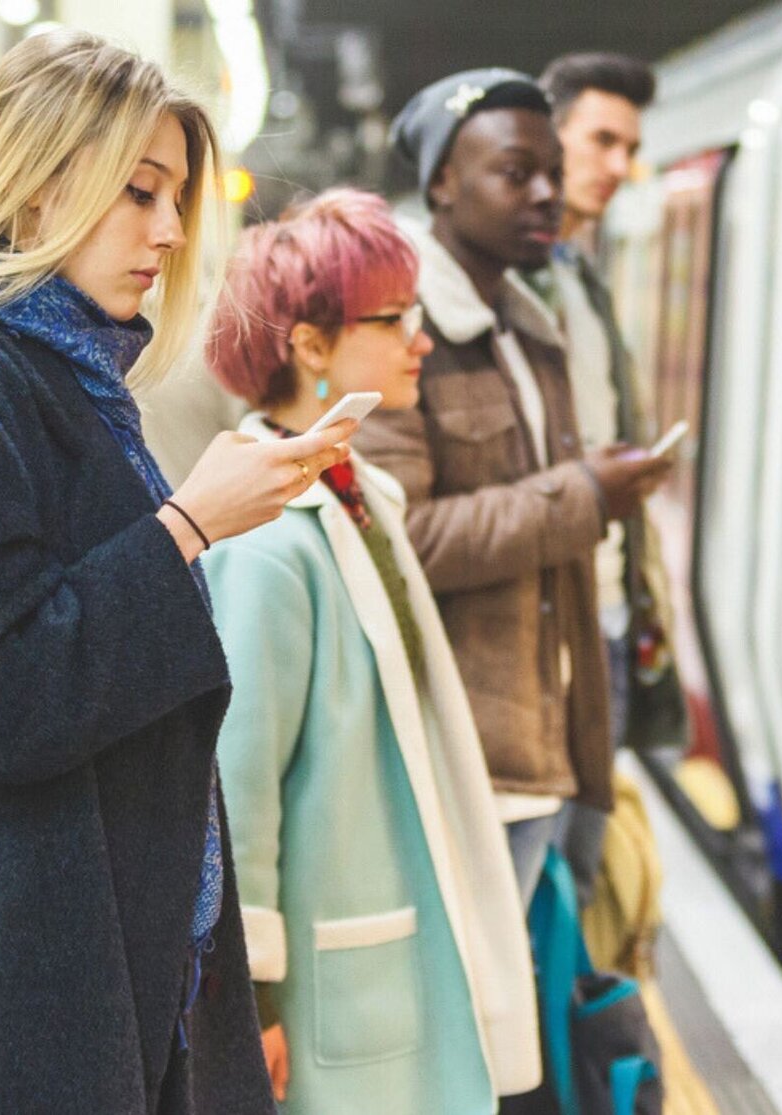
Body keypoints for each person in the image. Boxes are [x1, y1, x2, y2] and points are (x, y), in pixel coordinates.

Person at [0, 30, 357, 1113]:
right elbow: (0, 698)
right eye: (137, 191)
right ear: (30, 190)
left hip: (93, 969)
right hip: (2, 1005)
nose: (166, 232)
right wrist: (189, 524)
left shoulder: (61, 379)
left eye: (174, 199)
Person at [203, 189, 540, 1112]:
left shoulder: (358, 493)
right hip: (330, 979)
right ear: (309, 346)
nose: (419, 340)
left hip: (380, 948)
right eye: (393, 319)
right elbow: (241, 788)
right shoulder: (268, 544)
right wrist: (255, 996)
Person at [360, 69, 672, 905]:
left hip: (548, 737)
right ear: (442, 183)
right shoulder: (400, 328)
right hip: (468, 758)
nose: (545, 194)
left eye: (550, 173)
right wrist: (586, 497)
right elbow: (401, 539)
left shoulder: (529, 331)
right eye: (514, 172)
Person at [527, 53, 684, 900]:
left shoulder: (582, 279)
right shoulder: (506, 285)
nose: (620, 166)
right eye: (603, 140)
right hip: (552, 627)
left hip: (609, 612)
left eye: (631, 147)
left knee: (577, 875)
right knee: (549, 880)